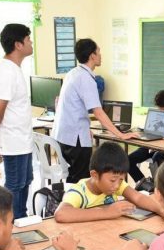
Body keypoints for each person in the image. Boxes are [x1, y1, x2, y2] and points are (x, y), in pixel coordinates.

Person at [51, 38, 138, 183]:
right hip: (75, 140)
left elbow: (67, 104)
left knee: (74, 177)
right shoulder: (86, 79)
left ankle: (70, 204)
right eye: (98, 51)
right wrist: (120, 135)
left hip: (64, 135)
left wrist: (84, 127)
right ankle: (75, 205)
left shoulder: (73, 73)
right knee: (80, 181)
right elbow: (98, 112)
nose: (100, 55)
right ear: (92, 55)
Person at [0, 23, 35, 219]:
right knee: (15, 184)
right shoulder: (7, 71)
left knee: (25, 181)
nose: (31, 43)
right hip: (12, 140)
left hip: (22, 139)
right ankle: (12, 223)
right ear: (18, 44)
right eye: (28, 39)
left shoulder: (14, 69)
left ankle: (22, 218)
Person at [128, 90, 164, 183]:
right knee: (128, 160)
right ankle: (144, 184)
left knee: (156, 157)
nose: (162, 113)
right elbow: (148, 130)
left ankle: (158, 185)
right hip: (151, 147)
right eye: (159, 110)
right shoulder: (154, 116)